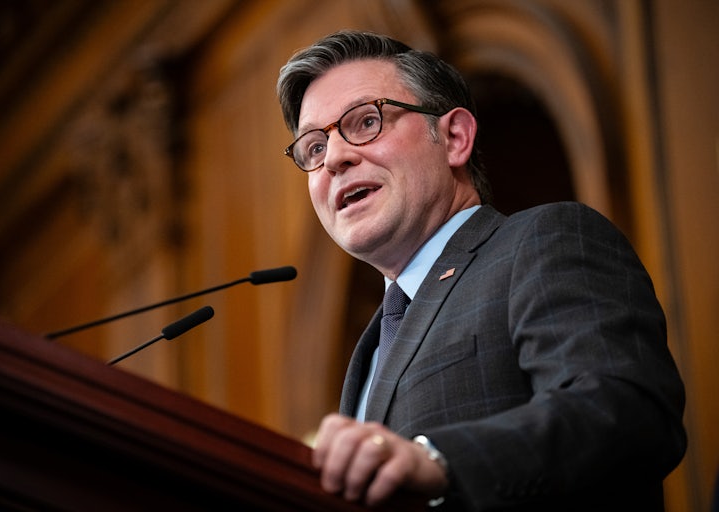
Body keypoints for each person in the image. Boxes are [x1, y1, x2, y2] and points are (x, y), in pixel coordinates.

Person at [276, 30, 686, 511]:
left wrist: (438, 461)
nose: (336, 159)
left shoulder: (543, 241)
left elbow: (624, 412)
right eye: (315, 148)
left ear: (454, 137)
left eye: (366, 122)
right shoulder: (370, 348)